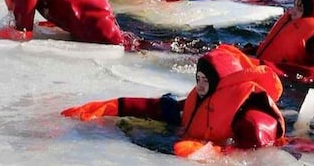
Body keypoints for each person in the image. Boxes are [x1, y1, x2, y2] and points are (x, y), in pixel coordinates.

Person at [61, 44, 286, 158]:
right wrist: (113, 106)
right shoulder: (202, 97)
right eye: (197, 79)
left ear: (221, 83)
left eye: (205, 80)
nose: (199, 86)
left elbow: (258, 152)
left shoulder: (250, 117)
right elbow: (160, 108)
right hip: (189, 141)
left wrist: (213, 152)